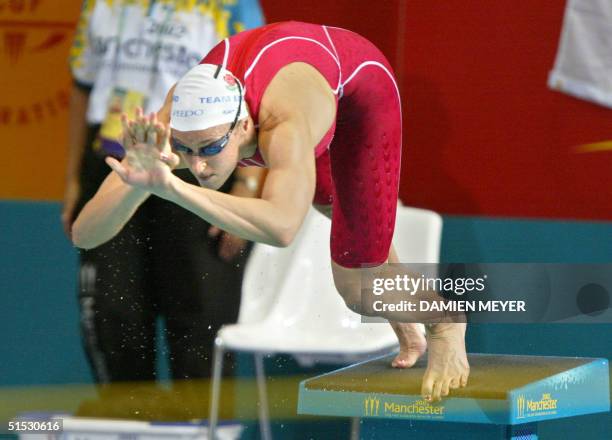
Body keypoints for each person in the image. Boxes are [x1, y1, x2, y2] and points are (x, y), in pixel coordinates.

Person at [72, 21, 469, 403]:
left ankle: (445, 321)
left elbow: (282, 227)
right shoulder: (173, 123)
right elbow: (85, 234)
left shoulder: (283, 123)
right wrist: (134, 185)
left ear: (244, 127)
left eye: (210, 148)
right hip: (291, 67)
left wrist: (170, 187)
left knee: (355, 286)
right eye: (185, 150)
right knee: (355, 238)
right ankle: (403, 317)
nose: (198, 166)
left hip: (360, 92)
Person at [63, 0, 264, 384]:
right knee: (114, 312)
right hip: (117, 162)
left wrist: (246, 186)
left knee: (199, 315)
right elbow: (83, 87)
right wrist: (73, 181)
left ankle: (201, 425)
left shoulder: (234, 7)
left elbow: (257, 101)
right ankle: (127, 421)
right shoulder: (100, 4)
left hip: (197, 163)